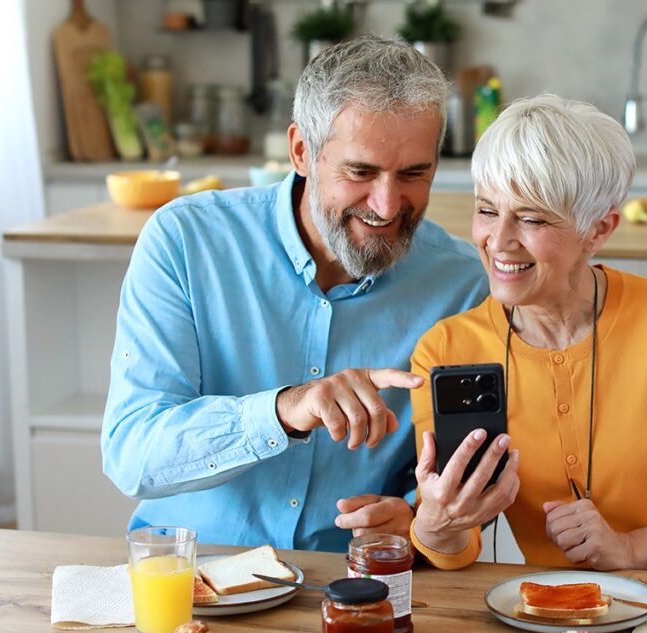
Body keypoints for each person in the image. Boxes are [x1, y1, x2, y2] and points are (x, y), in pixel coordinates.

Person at [101, 36, 487, 550]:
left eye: (414, 174)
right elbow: (132, 455)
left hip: (356, 584)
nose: (388, 204)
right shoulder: (185, 241)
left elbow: (463, 478)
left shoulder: (461, 284)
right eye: (361, 172)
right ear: (301, 151)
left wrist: (420, 523)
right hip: (194, 570)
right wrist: (283, 410)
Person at [408, 94, 647, 574]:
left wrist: (630, 549)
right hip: (556, 615)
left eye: (531, 218)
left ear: (599, 228)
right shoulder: (446, 351)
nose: (499, 240)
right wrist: (435, 525)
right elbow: (458, 546)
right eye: (488, 210)